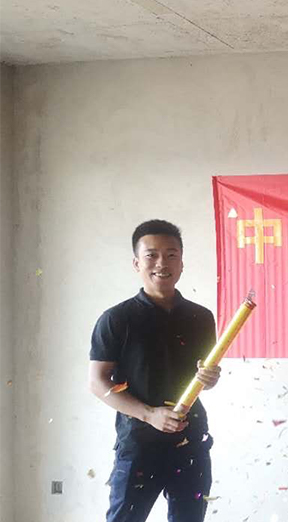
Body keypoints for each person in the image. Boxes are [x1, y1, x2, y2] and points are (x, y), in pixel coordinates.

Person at [88, 220, 221, 522]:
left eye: (171, 255)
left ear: (182, 263)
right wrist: (149, 415)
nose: (162, 263)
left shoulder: (201, 317)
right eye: (151, 255)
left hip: (190, 441)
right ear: (137, 263)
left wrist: (211, 378)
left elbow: (205, 377)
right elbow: (97, 382)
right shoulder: (117, 319)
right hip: (139, 444)